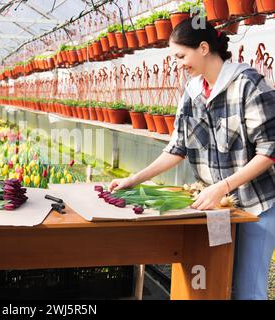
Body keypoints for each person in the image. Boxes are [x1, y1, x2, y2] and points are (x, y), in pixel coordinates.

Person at [109, 19, 275, 300]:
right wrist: (133, 179)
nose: (179, 64)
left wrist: (221, 187)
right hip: (217, 210)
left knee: (247, 291)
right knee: (215, 279)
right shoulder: (193, 92)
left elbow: (269, 152)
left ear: (203, 47)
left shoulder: (248, 84)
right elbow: (176, 148)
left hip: (255, 207)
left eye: (181, 56)